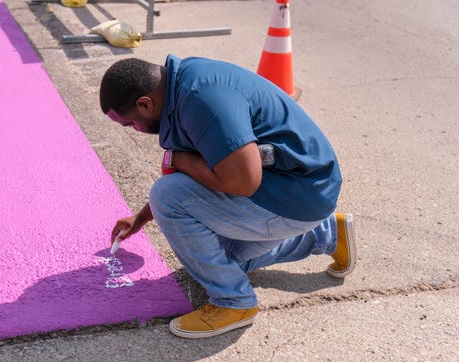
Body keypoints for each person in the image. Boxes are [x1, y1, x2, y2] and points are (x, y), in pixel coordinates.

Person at [100, 55, 357, 339]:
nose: (135, 130)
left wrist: (180, 161)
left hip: (298, 194)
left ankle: (234, 302)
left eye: (130, 124)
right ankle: (325, 234)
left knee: (168, 196)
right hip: (302, 187)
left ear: (145, 104)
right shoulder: (183, 85)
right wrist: (142, 216)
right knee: (215, 261)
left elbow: (243, 182)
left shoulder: (201, 100)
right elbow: (203, 172)